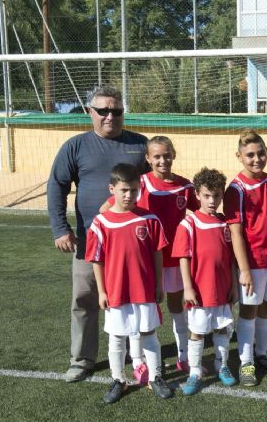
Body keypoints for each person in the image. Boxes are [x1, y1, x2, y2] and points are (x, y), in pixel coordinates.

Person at [47, 86, 148, 383]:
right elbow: (57, 186)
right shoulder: (75, 146)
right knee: (84, 299)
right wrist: (59, 228)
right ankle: (81, 359)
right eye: (102, 110)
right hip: (90, 243)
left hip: (133, 243)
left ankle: (137, 356)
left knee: (135, 300)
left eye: (116, 111)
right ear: (90, 112)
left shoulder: (140, 145)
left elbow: (157, 186)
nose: (109, 116)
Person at [100, 135, 198, 384]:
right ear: (148, 159)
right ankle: (139, 362)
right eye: (156, 156)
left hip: (175, 258)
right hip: (145, 261)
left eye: (166, 155)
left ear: (173, 155)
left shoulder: (185, 187)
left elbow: (200, 213)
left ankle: (183, 355)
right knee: (138, 313)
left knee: (178, 307)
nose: (162, 160)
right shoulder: (138, 184)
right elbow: (106, 209)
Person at [85, 163, 173, 404]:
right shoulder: (101, 223)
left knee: (148, 332)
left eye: (134, 190)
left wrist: (158, 284)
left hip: (144, 288)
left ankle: (155, 376)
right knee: (116, 336)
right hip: (116, 290)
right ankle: (118, 379)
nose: (129, 195)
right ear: (111, 189)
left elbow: (157, 252)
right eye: (124, 190)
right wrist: (102, 291)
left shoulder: (150, 219)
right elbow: (97, 260)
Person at [223, 129, 267, 387]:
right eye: (250, 155)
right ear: (239, 156)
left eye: (261, 153)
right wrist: (244, 269)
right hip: (252, 263)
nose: (256, 159)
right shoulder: (236, 190)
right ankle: (246, 361)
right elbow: (236, 232)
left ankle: (262, 353)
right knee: (249, 310)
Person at [172, 167, 239, 395]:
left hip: (222, 289)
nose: (212, 201)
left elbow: (230, 259)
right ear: (197, 195)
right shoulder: (189, 224)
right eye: (207, 196)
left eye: (217, 196)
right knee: (198, 331)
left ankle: (222, 366)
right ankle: (194, 371)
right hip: (200, 290)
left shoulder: (224, 223)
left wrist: (233, 286)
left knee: (222, 329)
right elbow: (183, 257)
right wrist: (188, 287)